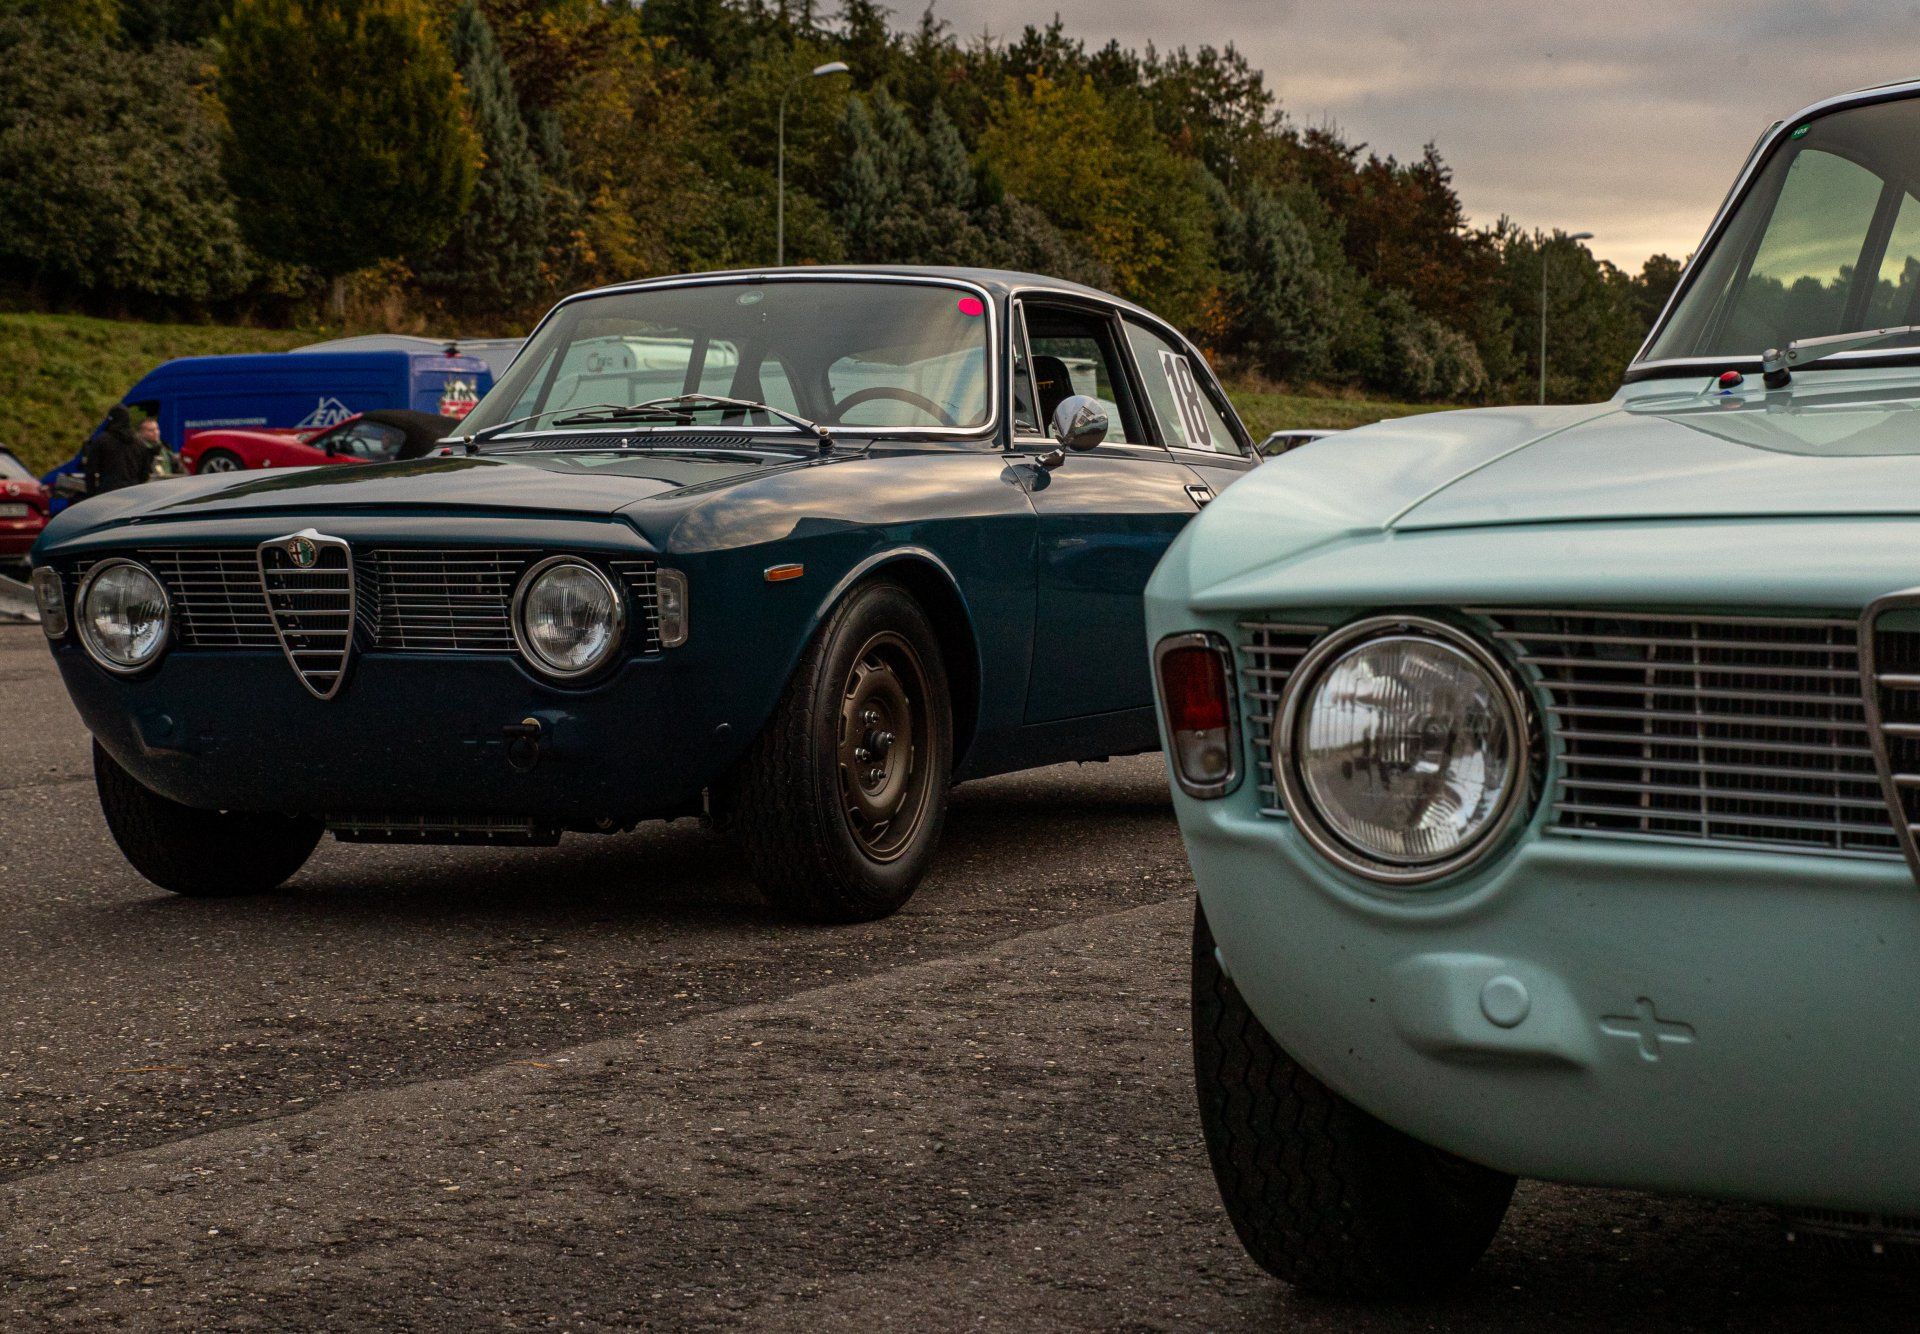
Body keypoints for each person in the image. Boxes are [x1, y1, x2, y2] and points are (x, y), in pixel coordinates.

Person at [82, 406, 149, 496]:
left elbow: (91, 471)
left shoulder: (102, 440)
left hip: (108, 492)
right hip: (133, 493)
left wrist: (92, 494)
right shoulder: (139, 443)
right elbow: (145, 474)